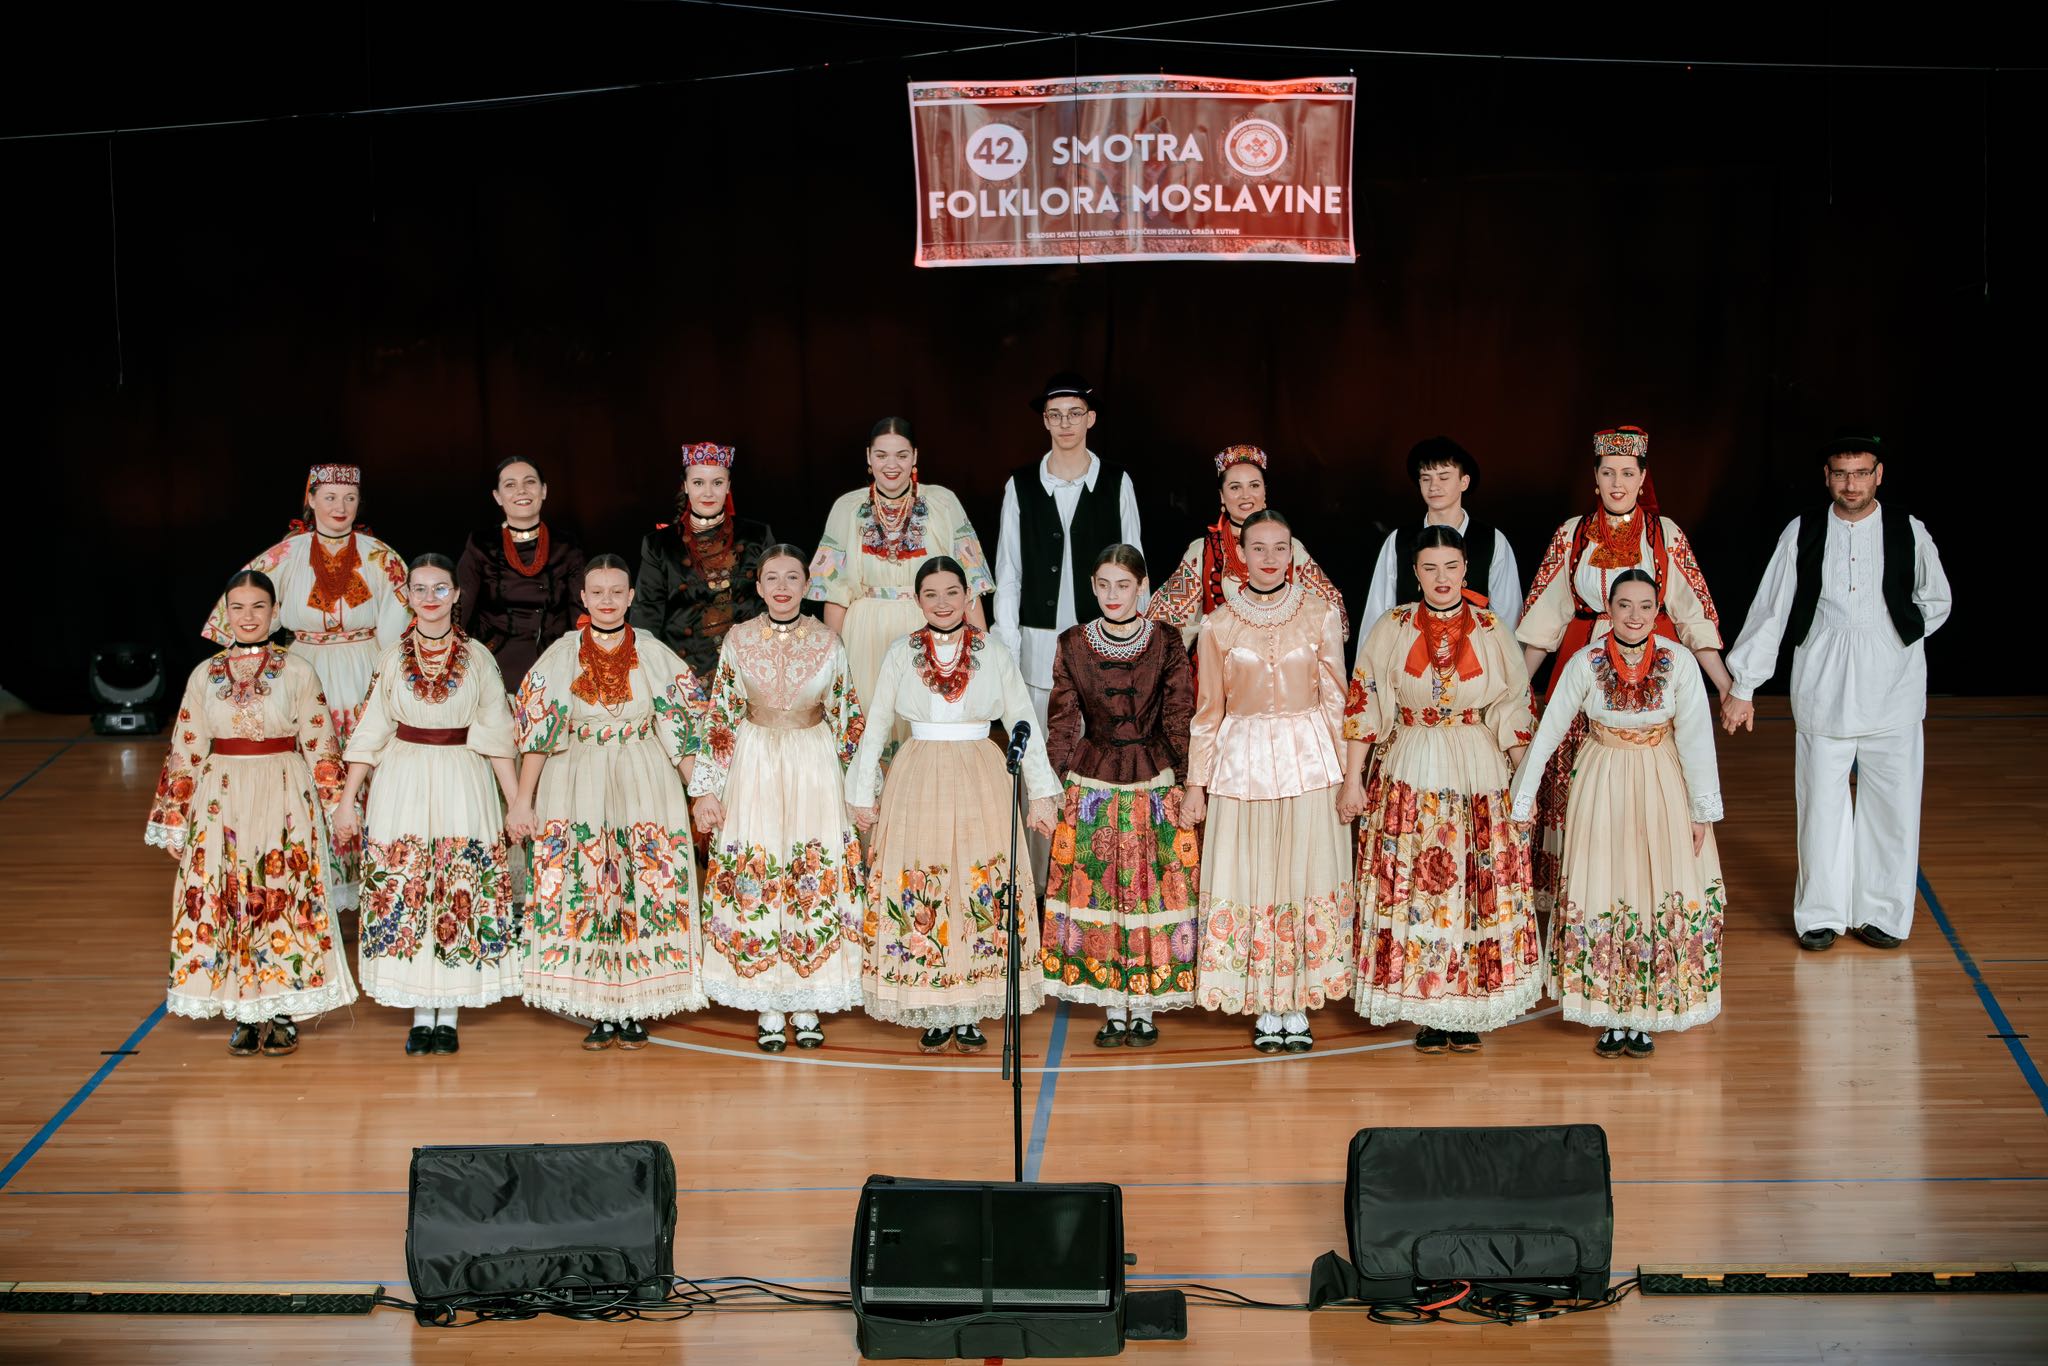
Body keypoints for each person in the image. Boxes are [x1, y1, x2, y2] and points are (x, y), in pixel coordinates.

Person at [1721, 432, 1951, 950]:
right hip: (1822, 687)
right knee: (1821, 807)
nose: (1852, 484)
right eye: (1842, 474)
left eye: (1861, 473)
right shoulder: (1803, 530)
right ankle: (1820, 914)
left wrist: (1895, 634)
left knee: (1892, 808)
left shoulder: (1908, 529)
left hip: (1893, 690)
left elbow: (1937, 599)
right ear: (1826, 477)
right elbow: (1771, 608)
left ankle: (1882, 914)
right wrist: (1744, 685)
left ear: (1878, 475)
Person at [846, 556, 1060, 1053]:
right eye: (931, 594)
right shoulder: (901, 652)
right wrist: (862, 791)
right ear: (917, 600)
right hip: (919, 771)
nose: (942, 603)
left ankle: (970, 1009)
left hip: (981, 771)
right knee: (927, 880)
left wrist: (1041, 793)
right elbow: (877, 724)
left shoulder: (993, 651)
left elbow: (1023, 719)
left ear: (968, 597)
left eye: (952, 593)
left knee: (976, 881)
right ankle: (935, 1005)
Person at [1510, 570, 1725, 1055]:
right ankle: (1609, 1013)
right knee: (1605, 882)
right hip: (1602, 777)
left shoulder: (1678, 661)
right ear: (1608, 609)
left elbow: (1697, 738)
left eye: (1645, 606)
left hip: (1660, 778)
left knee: (1654, 885)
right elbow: (1549, 731)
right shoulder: (1586, 662)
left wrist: (1701, 811)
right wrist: (1525, 796)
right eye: (1624, 605)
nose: (1634, 615)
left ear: (1657, 611)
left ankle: (1644, 1014)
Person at [1517, 426, 1729, 916]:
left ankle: (1649, 893)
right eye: (1608, 472)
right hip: (1584, 666)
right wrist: (1515, 689)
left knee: (1656, 778)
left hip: (1651, 666)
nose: (1618, 483)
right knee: (1576, 777)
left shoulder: (1663, 534)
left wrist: (1725, 685)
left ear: (1642, 478)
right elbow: (1544, 619)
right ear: (1594, 478)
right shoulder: (1572, 535)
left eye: (1628, 473)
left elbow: (1693, 613)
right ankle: (1587, 897)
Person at [1342, 526, 1539, 1053]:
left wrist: (1524, 784)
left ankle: (1467, 1006)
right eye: (1430, 568)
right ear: (1415, 574)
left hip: (1476, 763)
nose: (1442, 577)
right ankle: (1426, 1006)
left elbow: (1514, 707)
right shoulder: (1393, 626)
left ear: (1466, 569)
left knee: (1471, 883)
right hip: (1412, 757)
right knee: (1419, 888)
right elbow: (1364, 700)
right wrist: (1353, 779)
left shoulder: (1491, 628)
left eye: (1451, 566)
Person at [149, 569, 356, 1055]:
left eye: (258, 606)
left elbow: (321, 743)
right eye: (238, 607)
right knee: (231, 896)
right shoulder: (205, 675)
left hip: (284, 793)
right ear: (226, 613)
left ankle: (281, 1011)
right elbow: (186, 747)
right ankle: (244, 1011)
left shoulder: (298, 671)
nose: (248, 617)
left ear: (275, 613)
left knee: (280, 892)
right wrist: (174, 818)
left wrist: (338, 808)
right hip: (221, 796)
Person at [508, 554, 708, 1049]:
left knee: (642, 880)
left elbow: (680, 729)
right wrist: (523, 801)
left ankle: (636, 1003)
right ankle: (599, 1005)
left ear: (631, 596)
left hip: (643, 773)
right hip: (577, 773)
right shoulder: (561, 654)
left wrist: (700, 793)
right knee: (590, 880)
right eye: (597, 592)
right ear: (583, 597)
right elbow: (537, 734)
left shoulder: (654, 652)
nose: (607, 601)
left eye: (617, 591)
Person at [333, 554, 524, 1056]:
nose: (430, 598)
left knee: (458, 883)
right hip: (404, 777)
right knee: (410, 882)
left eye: (441, 588)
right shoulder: (390, 659)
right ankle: (421, 1013)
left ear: (456, 594)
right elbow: (369, 731)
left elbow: (497, 734)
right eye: (420, 589)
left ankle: (450, 1011)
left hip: (463, 774)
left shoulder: (478, 658)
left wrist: (515, 803)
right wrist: (348, 802)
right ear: (408, 597)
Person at [1184, 510, 1355, 1053]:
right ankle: (1263, 1001)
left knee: (1303, 873)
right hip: (1243, 762)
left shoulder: (1320, 614)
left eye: (1280, 547)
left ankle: (1297, 1002)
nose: (1269, 558)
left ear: (1292, 553)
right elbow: (1208, 711)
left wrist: (1351, 776)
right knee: (1254, 875)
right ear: (1241, 554)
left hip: (1310, 760)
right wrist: (1195, 783)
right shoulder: (1218, 625)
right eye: (1258, 548)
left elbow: (1337, 699)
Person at [202, 464, 409, 909]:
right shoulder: (286, 555)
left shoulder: (380, 557)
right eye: (329, 497)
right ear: (310, 500)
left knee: (373, 773)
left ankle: (379, 887)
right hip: (304, 666)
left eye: (349, 498)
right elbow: (238, 611)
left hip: (367, 667)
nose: (340, 507)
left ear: (360, 502)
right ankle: (315, 884)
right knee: (308, 778)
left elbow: (401, 633)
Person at [691, 544, 869, 1052]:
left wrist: (864, 789)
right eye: (773, 578)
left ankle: (809, 999)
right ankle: (767, 1002)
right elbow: (722, 715)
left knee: (809, 869)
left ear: (807, 585)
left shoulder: (828, 641)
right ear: (759, 586)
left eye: (793, 577)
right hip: (755, 762)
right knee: (761, 864)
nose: (783, 587)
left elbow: (848, 715)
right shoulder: (739, 639)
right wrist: (707, 788)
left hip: (814, 762)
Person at [1040, 544, 1198, 1048]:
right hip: (1094, 781)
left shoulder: (1166, 640)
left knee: (1151, 888)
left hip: (1154, 777)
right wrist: (1053, 787)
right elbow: (1063, 722)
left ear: (1141, 587)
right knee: (1101, 888)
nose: (1113, 594)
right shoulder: (1072, 643)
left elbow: (1179, 714)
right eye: (1104, 584)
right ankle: (1112, 1005)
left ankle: (1145, 1007)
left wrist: (1189, 782)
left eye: (1123, 585)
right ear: (1092, 585)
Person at [806, 418, 992, 743]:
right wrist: (830, 662)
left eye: (901, 455)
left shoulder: (943, 503)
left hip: (929, 629)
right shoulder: (847, 507)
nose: (891, 465)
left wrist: (984, 654)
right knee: (868, 733)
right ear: (868, 456)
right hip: (864, 634)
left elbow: (970, 586)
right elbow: (835, 594)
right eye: (881, 455)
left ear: (915, 456)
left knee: (927, 733)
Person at [1145, 444, 1347, 664]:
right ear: (1222, 496)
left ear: (1264, 492)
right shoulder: (1203, 552)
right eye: (1235, 487)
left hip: (1282, 673)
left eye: (1254, 485)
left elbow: (1335, 618)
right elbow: (1165, 624)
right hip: (1221, 673)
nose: (1245, 495)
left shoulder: (1290, 548)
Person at [632, 442, 777, 680]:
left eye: (717, 483)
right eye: (698, 483)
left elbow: (777, 602)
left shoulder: (757, 537)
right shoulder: (660, 545)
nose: (708, 493)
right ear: (685, 486)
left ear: (728, 486)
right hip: (683, 676)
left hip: (752, 669)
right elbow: (646, 618)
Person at [1358, 436, 1523, 633]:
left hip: (1475, 649)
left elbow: (1507, 617)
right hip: (1408, 648)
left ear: (1464, 482)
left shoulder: (1492, 540)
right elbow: (1377, 613)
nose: (1433, 486)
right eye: (1426, 478)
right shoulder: (1399, 540)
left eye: (1444, 478)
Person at [457, 456, 588, 693]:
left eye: (530, 482)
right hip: (492, 664)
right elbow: (461, 606)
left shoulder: (567, 546)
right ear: (497, 496)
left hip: (553, 663)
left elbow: (580, 612)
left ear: (544, 490)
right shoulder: (481, 544)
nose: (521, 491)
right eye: (510, 484)